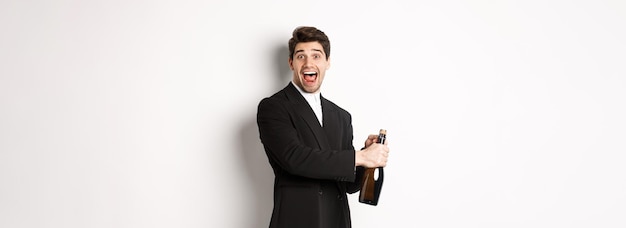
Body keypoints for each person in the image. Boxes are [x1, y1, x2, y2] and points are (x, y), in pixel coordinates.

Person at [256, 26, 390, 228]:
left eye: (316, 56)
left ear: (327, 62)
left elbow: (347, 184)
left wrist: (367, 157)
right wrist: (359, 157)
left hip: (336, 221)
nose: (308, 63)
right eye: (301, 56)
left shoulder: (342, 116)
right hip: (297, 220)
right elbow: (295, 159)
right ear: (291, 63)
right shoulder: (274, 107)